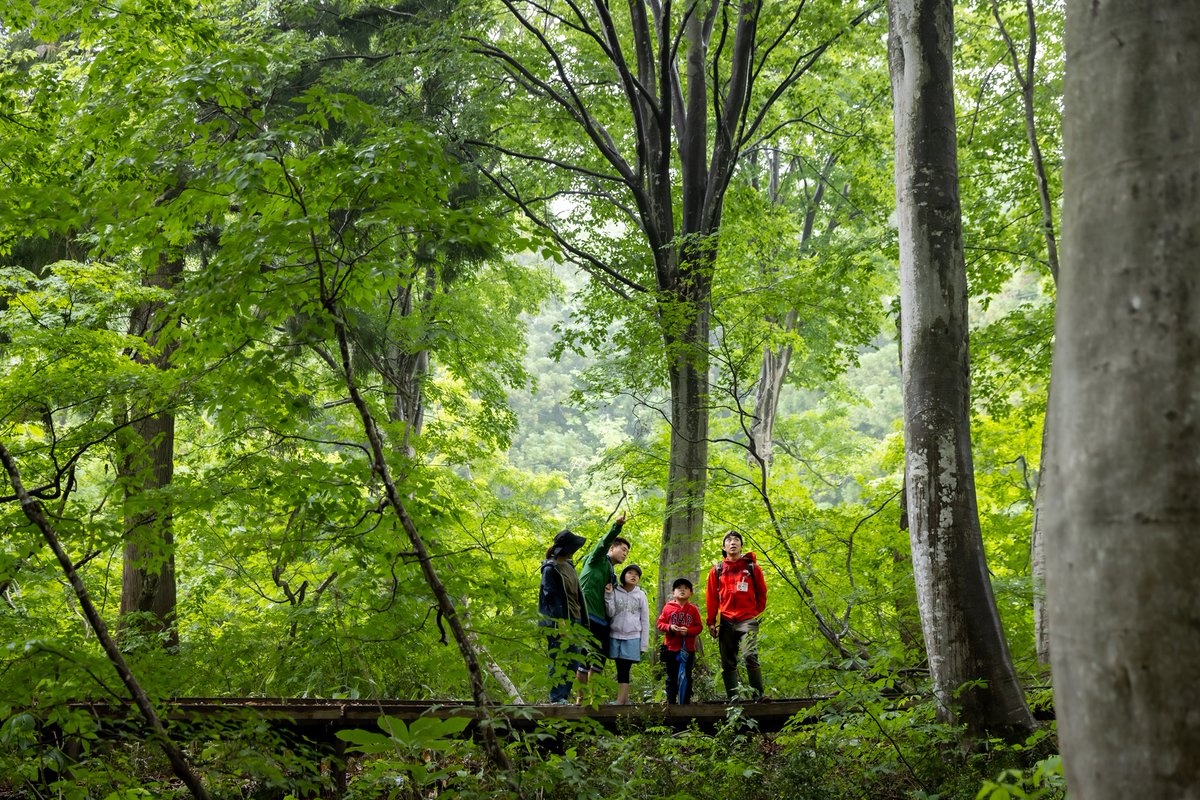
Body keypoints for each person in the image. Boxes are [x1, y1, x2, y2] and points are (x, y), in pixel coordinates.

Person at [705, 531, 767, 700]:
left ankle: (758, 696)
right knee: (728, 662)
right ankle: (734, 701)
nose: (733, 542)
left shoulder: (752, 568)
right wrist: (711, 622)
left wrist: (755, 613)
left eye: (737, 540)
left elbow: (762, 593)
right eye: (729, 540)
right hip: (725, 620)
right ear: (724, 547)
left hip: (747, 618)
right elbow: (711, 598)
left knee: (750, 655)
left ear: (741, 546)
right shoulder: (717, 570)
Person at [576, 511, 629, 699]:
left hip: (603, 620)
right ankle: (580, 699)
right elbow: (602, 544)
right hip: (586, 615)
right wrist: (617, 526)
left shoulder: (612, 573)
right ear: (612, 548)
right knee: (583, 656)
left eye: (627, 552)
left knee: (598, 659)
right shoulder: (596, 559)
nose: (625, 554)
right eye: (623, 549)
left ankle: (593, 698)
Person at [538, 528, 589, 703]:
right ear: (566, 549)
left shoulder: (570, 567)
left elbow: (577, 596)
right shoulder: (550, 569)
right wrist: (560, 622)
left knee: (573, 661)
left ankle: (563, 697)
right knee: (559, 660)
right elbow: (550, 596)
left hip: (576, 619)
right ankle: (556, 698)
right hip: (559, 622)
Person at [604, 563, 650, 704]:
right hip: (615, 635)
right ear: (623, 575)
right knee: (619, 667)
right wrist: (608, 594)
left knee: (625, 668)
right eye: (630, 573)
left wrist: (643, 645)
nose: (633, 575)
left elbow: (645, 620)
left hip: (633, 637)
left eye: (636, 574)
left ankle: (620, 701)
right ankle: (623, 700)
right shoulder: (616, 591)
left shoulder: (641, 595)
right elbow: (610, 612)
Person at [656, 578, 702, 704]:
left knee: (686, 675)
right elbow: (660, 623)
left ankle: (685, 702)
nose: (682, 590)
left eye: (686, 588)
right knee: (671, 676)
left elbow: (699, 627)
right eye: (679, 588)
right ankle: (671, 702)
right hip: (670, 648)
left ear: (691, 593)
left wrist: (688, 631)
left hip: (687, 649)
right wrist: (669, 627)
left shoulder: (693, 610)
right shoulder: (668, 608)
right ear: (673, 592)